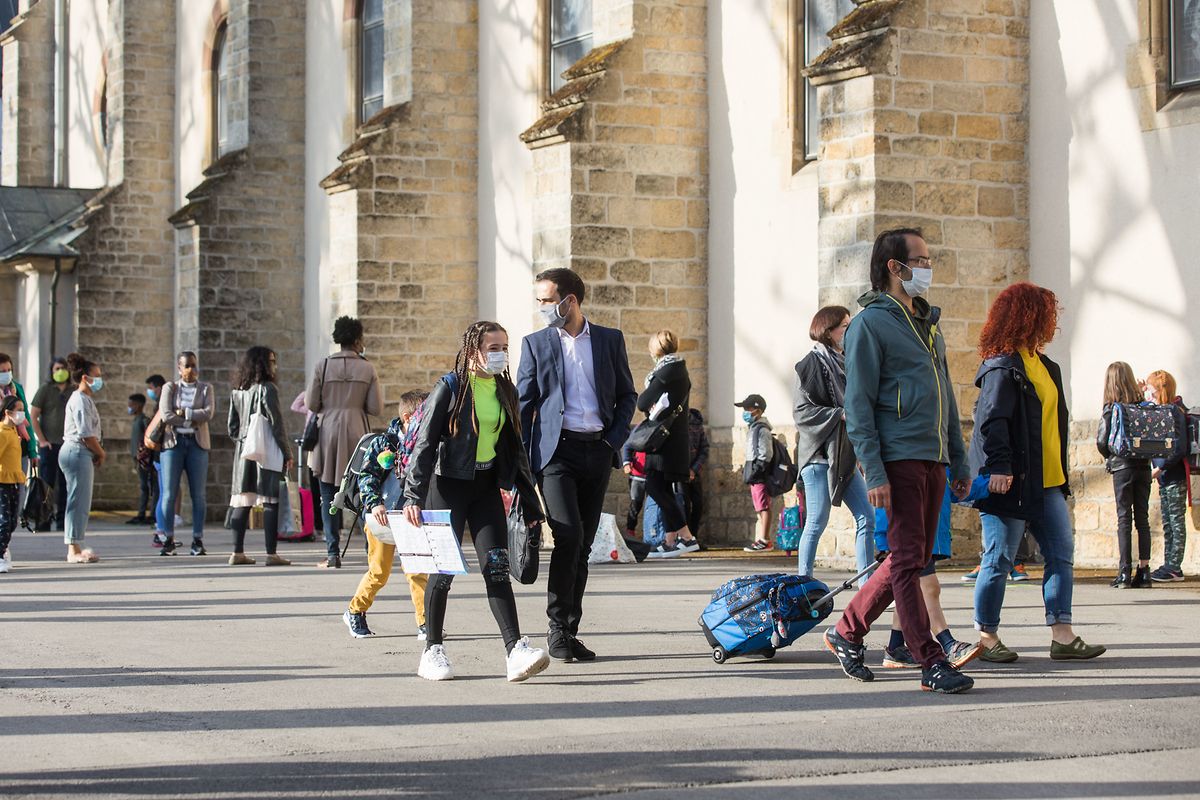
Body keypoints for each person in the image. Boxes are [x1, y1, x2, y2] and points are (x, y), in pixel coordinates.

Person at [823, 227, 973, 694]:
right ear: (895, 267)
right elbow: (859, 403)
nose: (928, 268)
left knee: (911, 557)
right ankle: (929, 659)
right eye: (921, 260)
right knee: (909, 561)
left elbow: (945, 394)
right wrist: (873, 466)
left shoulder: (928, 322)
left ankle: (847, 630)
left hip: (933, 457)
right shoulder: (870, 323)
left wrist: (960, 460)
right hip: (898, 456)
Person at [404, 321, 550, 682]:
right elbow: (424, 443)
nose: (500, 353)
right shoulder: (450, 387)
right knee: (444, 572)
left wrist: (530, 502)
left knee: (497, 567)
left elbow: (514, 451)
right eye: (493, 347)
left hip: (485, 487)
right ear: (473, 350)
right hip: (447, 486)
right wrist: (413, 495)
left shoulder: (505, 390)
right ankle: (432, 650)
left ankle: (515, 650)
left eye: (504, 346)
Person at [969, 282, 1104, 663]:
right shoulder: (1002, 366)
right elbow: (991, 421)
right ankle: (986, 635)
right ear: (1028, 315)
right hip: (1009, 480)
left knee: (1061, 554)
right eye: (1048, 312)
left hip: (1048, 482)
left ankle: (1062, 634)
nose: (1053, 320)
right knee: (998, 559)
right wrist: (999, 466)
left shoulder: (1047, 367)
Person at [516, 268, 637, 662]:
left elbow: (626, 395)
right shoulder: (535, 344)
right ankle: (556, 627)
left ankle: (570, 630)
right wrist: (519, 464)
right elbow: (524, 405)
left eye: (547, 300)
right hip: (556, 454)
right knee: (567, 536)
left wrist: (611, 441)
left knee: (582, 545)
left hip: (596, 451)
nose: (541, 308)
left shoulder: (608, 340)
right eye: (539, 301)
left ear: (570, 300)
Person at [791, 306, 875, 580]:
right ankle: (804, 583)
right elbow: (802, 413)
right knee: (816, 522)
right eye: (844, 326)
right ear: (828, 332)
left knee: (867, 517)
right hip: (818, 458)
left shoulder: (849, 363)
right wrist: (839, 413)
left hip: (845, 457)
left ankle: (867, 587)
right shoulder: (809, 365)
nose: (849, 331)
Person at [344, 390, 431, 639]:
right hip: (382, 517)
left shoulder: (426, 444)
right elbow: (367, 476)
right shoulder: (383, 443)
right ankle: (355, 610)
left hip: (412, 517)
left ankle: (425, 622)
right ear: (407, 417)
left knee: (417, 570)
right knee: (379, 572)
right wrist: (373, 504)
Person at [874, 479, 981, 670]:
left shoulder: (938, 458)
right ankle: (947, 643)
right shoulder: (907, 458)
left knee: (907, 590)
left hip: (927, 532)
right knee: (929, 587)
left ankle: (895, 647)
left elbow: (952, 489)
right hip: (909, 531)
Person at [306, 316, 382, 568]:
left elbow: (310, 404)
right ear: (358, 339)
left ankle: (332, 554)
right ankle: (371, 550)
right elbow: (375, 407)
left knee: (327, 494)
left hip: (328, 430)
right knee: (361, 491)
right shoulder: (367, 367)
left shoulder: (323, 366)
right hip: (357, 431)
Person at [226, 347, 293, 566]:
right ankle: (271, 553)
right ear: (263, 364)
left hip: (244, 451)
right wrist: (287, 452)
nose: (275, 365)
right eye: (272, 361)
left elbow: (232, 427)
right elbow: (277, 423)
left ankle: (237, 552)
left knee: (243, 500)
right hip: (266, 450)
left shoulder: (238, 390)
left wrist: (245, 441)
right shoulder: (268, 389)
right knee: (270, 501)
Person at [637, 330, 698, 558]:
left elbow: (642, 401)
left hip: (665, 442)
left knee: (655, 487)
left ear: (657, 349)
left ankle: (687, 536)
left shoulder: (666, 371)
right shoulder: (678, 370)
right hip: (670, 440)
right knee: (662, 489)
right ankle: (670, 539)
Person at [1097, 361, 1153, 589]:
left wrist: (1109, 456)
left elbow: (1102, 441)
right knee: (1143, 518)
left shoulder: (1112, 407)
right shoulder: (1142, 405)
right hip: (1144, 466)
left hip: (1122, 467)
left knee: (1123, 519)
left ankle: (1124, 573)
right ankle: (1144, 571)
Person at [158, 352, 215, 556]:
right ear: (179, 368)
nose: (191, 370)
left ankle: (197, 540)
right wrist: (188, 420)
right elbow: (166, 415)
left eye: (193, 365)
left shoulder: (206, 388)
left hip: (197, 445)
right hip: (174, 444)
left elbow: (208, 413)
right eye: (186, 366)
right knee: (169, 494)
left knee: (198, 494)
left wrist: (185, 413)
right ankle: (168, 539)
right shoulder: (170, 388)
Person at [60, 353, 105, 563]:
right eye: (96, 376)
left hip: (81, 452)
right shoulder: (79, 399)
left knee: (80, 500)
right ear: (85, 377)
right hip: (77, 451)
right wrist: (101, 452)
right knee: (78, 500)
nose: (100, 379)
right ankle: (73, 548)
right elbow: (87, 433)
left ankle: (76, 543)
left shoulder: (85, 399)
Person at [1144, 370, 1188, 582]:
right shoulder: (1161, 411)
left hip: (1174, 476)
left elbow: (1179, 448)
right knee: (1168, 524)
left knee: (1176, 522)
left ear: (1162, 390)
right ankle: (1169, 563)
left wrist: (1161, 469)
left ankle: (1175, 567)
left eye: (1152, 390)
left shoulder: (1174, 412)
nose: (1150, 394)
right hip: (1164, 477)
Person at [30, 357, 73, 531]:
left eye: (63, 368)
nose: (60, 371)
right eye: (57, 368)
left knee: (66, 485)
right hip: (49, 445)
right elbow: (33, 415)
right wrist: (41, 440)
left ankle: (63, 521)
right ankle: (44, 520)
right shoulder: (45, 390)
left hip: (67, 444)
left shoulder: (73, 390)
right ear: (51, 371)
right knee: (47, 485)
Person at [736, 394, 775, 552]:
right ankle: (763, 538)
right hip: (753, 471)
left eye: (748, 409)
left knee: (763, 506)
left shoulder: (762, 429)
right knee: (759, 506)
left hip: (759, 473)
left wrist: (758, 469)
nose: (745, 412)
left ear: (758, 411)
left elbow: (766, 453)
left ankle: (765, 539)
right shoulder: (753, 428)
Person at [0, 396, 28, 573]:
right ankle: (0, 553)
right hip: (2, 481)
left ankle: (3, 550)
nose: (21, 413)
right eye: (18, 409)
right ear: (8, 412)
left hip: (14, 481)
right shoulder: (2, 432)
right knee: (3, 520)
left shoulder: (13, 432)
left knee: (12, 521)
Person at [126, 393, 154, 524]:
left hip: (143, 460)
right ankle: (142, 512)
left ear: (139, 405)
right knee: (143, 486)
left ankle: (146, 514)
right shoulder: (136, 420)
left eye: (131, 405)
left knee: (146, 487)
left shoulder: (144, 420)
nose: (129, 407)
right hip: (137, 459)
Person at [683, 409, 709, 537]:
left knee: (698, 505)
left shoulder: (696, 424)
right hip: (679, 474)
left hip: (695, 473)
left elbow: (704, 449)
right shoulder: (673, 421)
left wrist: (693, 469)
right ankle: (685, 538)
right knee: (684, 507)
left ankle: (693, 537)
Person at [621, 445, 648, 538]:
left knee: (652, 507)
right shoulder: (638, 431)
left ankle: (651, 535)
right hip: (637, 475)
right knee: (635, 505)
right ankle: (630, 532)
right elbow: (628, 446)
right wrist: (627, 463)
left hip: (654, 476)